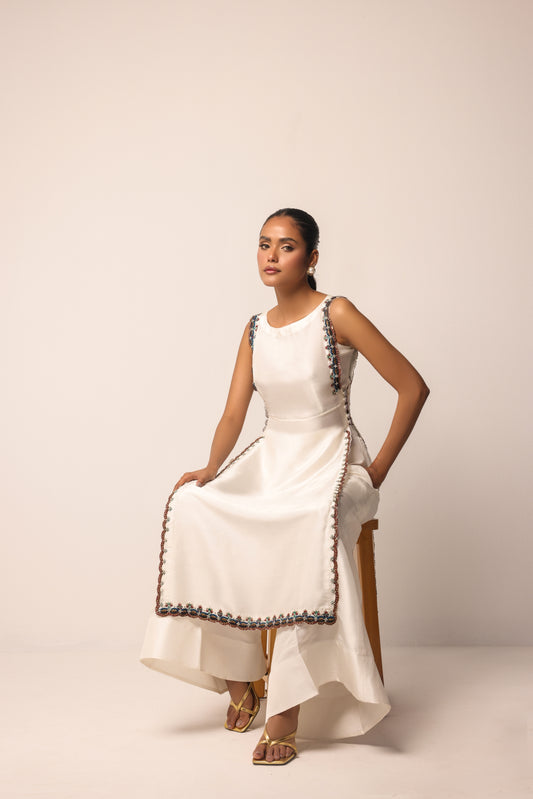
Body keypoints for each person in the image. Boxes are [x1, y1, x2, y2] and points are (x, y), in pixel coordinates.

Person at [139, 207, 430, 766]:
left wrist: (376, 471)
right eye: (264, 244)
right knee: (193, 504)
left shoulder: (337, 312)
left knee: (308, 525)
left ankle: (287, 709)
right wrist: (210, 467)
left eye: (287, 246)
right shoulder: (254, 328)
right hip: (274, 459)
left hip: (333, 461)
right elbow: (234, 414)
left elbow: (412, 387)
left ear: (312, 258)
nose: (271, 255)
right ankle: (240, 676)